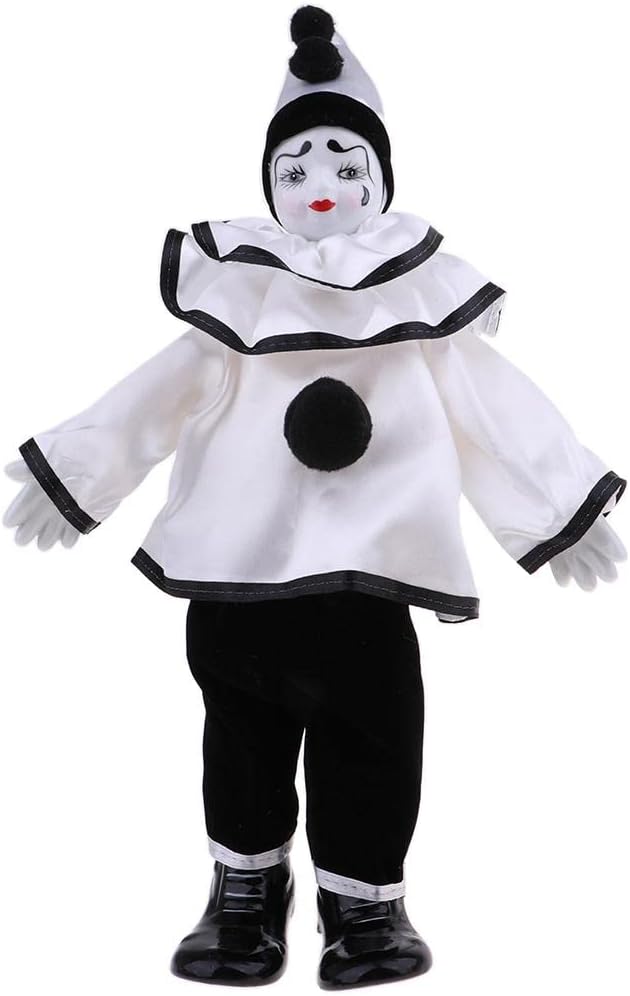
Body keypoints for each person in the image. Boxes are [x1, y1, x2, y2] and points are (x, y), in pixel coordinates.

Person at [3, 6, 626, 990]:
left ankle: (363, 902)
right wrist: (74, 475)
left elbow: (494, 411)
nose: (319, 183)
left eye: (343, 162)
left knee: (373, 737)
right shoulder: (237, 302)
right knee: (240, 736)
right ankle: (246, 890)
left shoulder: (417, 309)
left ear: (379, 180)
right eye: (293, 169)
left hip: (370, 574)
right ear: (270, 190)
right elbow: (150, 399)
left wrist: (561, 510)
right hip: (240, 566)